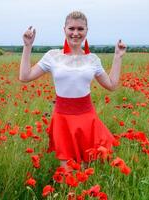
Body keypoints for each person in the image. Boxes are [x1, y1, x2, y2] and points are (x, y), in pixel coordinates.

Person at [19, 11, 126, 171]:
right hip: (62, 119)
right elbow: (25, 76)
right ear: (64, 30)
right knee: (68, 172)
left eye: (80, 29)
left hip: (87, 119)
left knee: (85, 171)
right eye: (71, 28)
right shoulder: (52, 56)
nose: (75, 33)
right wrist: (27, 46)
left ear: (86, 31)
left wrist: (118, 57)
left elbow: (111, 85)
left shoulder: (93, 59)